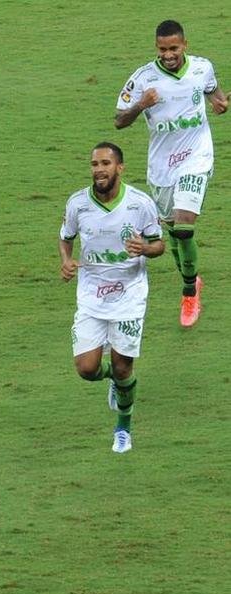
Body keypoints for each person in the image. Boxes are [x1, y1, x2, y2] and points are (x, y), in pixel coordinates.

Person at [114, 19, 227, 327]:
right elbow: (119, 121)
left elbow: (214, 94)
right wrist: (141, 105)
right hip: (162, 167)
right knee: (172, 234)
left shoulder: (202, 68)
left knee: (184, 226)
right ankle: (193, 278)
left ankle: (189, 292)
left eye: (174, 48)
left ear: (184, 45)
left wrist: (220, 103)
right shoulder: (142, 79)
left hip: (196, 157)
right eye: (163, 49)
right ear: (157, 48)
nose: (168, 55)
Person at [59, 143, 164, 453]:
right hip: (91, 294)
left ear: (120, 168)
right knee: (86, 369)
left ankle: (123, 428)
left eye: (105, 163)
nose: (99, 169)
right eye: (94, 164)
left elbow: (159, 245)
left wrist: (144, 249)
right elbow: (66, 237)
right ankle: (114, 384)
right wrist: (66, 261)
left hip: (129, 296)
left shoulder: (140, 204)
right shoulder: (78, 204)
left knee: (122, 367)